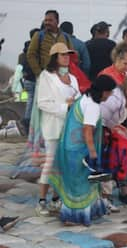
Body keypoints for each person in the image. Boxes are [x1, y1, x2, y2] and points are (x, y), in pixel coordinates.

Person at [48, 75, 117, 226]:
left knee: (76, 183)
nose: (111, 95)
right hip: (78, 150)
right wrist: (92, 152)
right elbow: (87, 130)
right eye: (110, 92)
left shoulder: (84, 98)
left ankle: (86, 212)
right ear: (104, 92)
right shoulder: (92, 106)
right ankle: (73, 217)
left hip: (69, 147)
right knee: (80, 185)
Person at [33, 43, 80, 217]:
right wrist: (64, 107)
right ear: (55, 57)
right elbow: (42, 103)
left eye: (68, 54)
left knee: (64, 165)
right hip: (53, 126)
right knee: (50, 163)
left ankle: (56, 198)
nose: (66, 57)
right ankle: (42, 200)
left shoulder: (73, 78)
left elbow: (78, 98)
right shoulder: (46, 77)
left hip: (70, 128)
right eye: (63, 55)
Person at [99, 72, 127, 207]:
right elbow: (100, 118)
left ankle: (122, 192)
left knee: (122, 157)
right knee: (104, 163)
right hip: (99, 130)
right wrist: (109, 134)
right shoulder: (115, 100)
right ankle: (104, 198)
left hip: (110, 128)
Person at [26, 10, 74, 78]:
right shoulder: (39, 35)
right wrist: (39, 73)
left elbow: (72, 56)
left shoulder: (65, 37)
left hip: (63, 75)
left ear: (57, 21)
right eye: (46, 20)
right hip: (46, 75)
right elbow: (31, 55)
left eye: (50, 20)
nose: (47, 23)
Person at [20, 28, 40, 130]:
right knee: (36, 101)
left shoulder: (24, 51)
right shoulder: (38, 49)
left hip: (26, 80)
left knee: (29, 101)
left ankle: (27, 120)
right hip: (35, 79)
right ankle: (31, 122)